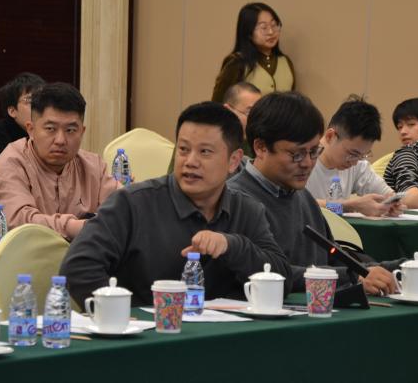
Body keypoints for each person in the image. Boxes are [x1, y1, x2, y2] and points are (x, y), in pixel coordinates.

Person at [228, 91, 418, 294]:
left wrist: (406, 269)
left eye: (314, 152)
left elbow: (336, 256)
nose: (308, 163)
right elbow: (270, 274)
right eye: (297, 154)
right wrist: (351, 277)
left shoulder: (301, 196)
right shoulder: (235, 200)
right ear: (261, 147)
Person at [60, 101, 292, 307]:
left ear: (233, 161)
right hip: (146, 334)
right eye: (183, 149)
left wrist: (232, 246)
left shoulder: (247, 209)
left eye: (204, 152)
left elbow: (280, 278)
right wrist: (122, 313)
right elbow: (78, 267)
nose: (190, 161)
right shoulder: (132, 203)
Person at [0, 82, 118, 241]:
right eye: (50, 129)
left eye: (70, 130)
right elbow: (20, 223)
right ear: (31, 130)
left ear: (82, 132)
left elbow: (123, 210)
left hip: (69, 252)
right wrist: (82, 227)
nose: (60, 140)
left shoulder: (93, 166)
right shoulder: (11, 163)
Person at [306, 95, 403, 217]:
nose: (355, 162)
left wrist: (392, 204)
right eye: (352, 154)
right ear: (330, 136)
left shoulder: (358, 165)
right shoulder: (304, 161)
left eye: (362, 155)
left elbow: (386, 194)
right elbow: (301, 205)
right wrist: (349, 206)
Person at [211, 2, 295, 103]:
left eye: (274, 25)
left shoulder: (285, 61)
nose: (271, 32)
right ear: (249, 33)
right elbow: (218, 104)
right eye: (263, 28)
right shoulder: (237, 63)